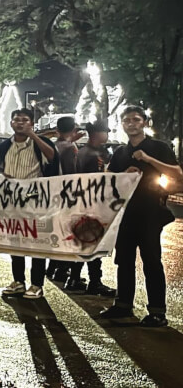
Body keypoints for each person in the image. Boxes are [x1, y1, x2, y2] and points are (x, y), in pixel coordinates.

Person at [99, 106, 182, 327]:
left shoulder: (158, 147)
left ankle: (157, 311)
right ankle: (123, 305)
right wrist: (118, 175)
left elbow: (177, 173)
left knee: (152, 261)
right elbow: (110, 181)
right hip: (125, 214)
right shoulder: (120, 152)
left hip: (150, 213)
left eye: (136, 119)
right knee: (124, 261)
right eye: (126, 120)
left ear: (144, 122)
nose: (131, 123)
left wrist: (148, 159)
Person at [0, 108, 60, 299]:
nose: (20, 123)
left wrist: (35, 137)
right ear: (11, 123)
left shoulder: (41, 143)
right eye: (16, 120)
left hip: (36, 202)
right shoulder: (4, 146)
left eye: (24, 120)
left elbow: (53, 158)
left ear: (31, 123)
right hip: (12, 201)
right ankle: (18, 281)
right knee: (15, 242)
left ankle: (37, 284)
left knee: (37, 242)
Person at [63, 121, 117, 296]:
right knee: (92, 242)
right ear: (96, 134)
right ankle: (93, 281)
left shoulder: (89, 152)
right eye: (105, 132)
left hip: (85, 203)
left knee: (85, 242)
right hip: (89, 204)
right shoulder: (89, 154)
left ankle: (75, 278)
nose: (107, 135)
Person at [47, 115, 83, 282]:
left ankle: (53, 268)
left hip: (55, 194)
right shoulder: (69, 148)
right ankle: (62, 270)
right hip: (67, 195)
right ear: (74, 129)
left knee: (60, 231)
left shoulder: (55, 146)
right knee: (68, 233)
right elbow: (72, 172)